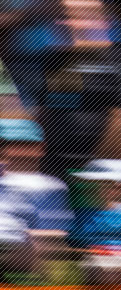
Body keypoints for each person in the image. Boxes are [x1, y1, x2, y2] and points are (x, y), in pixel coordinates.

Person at [38, 0, 121, 178]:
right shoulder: (55, 60)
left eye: (78, 16)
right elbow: (48, 111)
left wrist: (98, 167)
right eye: (64, 17)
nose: (65, 22)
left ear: (103, 22)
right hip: (54, 166)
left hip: (102, 170)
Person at [0, 119, 71, 279]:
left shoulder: (50, 186)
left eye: (26, 144)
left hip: (18, 253)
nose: (18, 150)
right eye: (10, 144)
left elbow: (52, 236)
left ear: (41, 147)